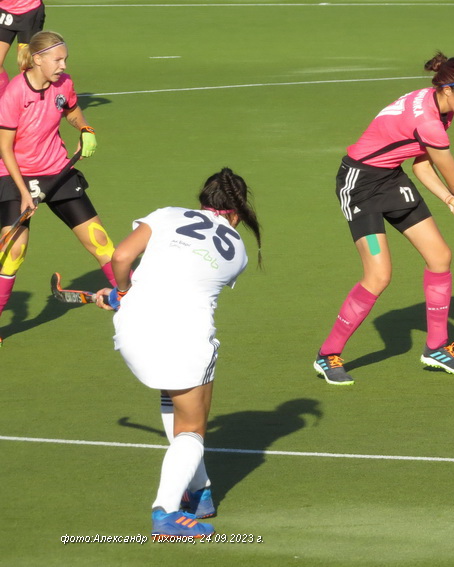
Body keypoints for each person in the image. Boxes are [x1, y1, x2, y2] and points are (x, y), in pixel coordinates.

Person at [313, 51, 454, 386]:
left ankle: (436, 347)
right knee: (378, 275)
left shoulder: (438, 106)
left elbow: (420, 165)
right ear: (448, 90)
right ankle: (328, 354)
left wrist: (448, 200)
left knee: (440, 256)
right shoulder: (429, 122)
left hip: (391, 179)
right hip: (360, 185)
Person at [95, 168, 262, 540]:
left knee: (172, 392)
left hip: (131, 331)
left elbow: (121, 256)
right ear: (236, 212)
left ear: (202, 200)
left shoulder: (166, 214)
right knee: (192, 429)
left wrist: (122, 292)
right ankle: (167, 512)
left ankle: (200, 492)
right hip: (184, 339)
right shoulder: (237, 250)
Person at [0, 30, 115, 346]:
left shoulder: (63, 84)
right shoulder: (14, 93)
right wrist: (24, 192)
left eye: (65, 59)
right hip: (15, 175)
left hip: (57, 171)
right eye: (58, 59)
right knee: (14, 252)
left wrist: (85, 128)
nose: (63, 65)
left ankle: (131, 299)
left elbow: (72, 110)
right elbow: (4, 147)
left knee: (100, 241)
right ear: (37, 59)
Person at [0, 0, 45, 95]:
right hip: (4, 11)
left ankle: (29, 99)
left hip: (30, 10)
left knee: (25, 66)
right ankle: (4, 99)